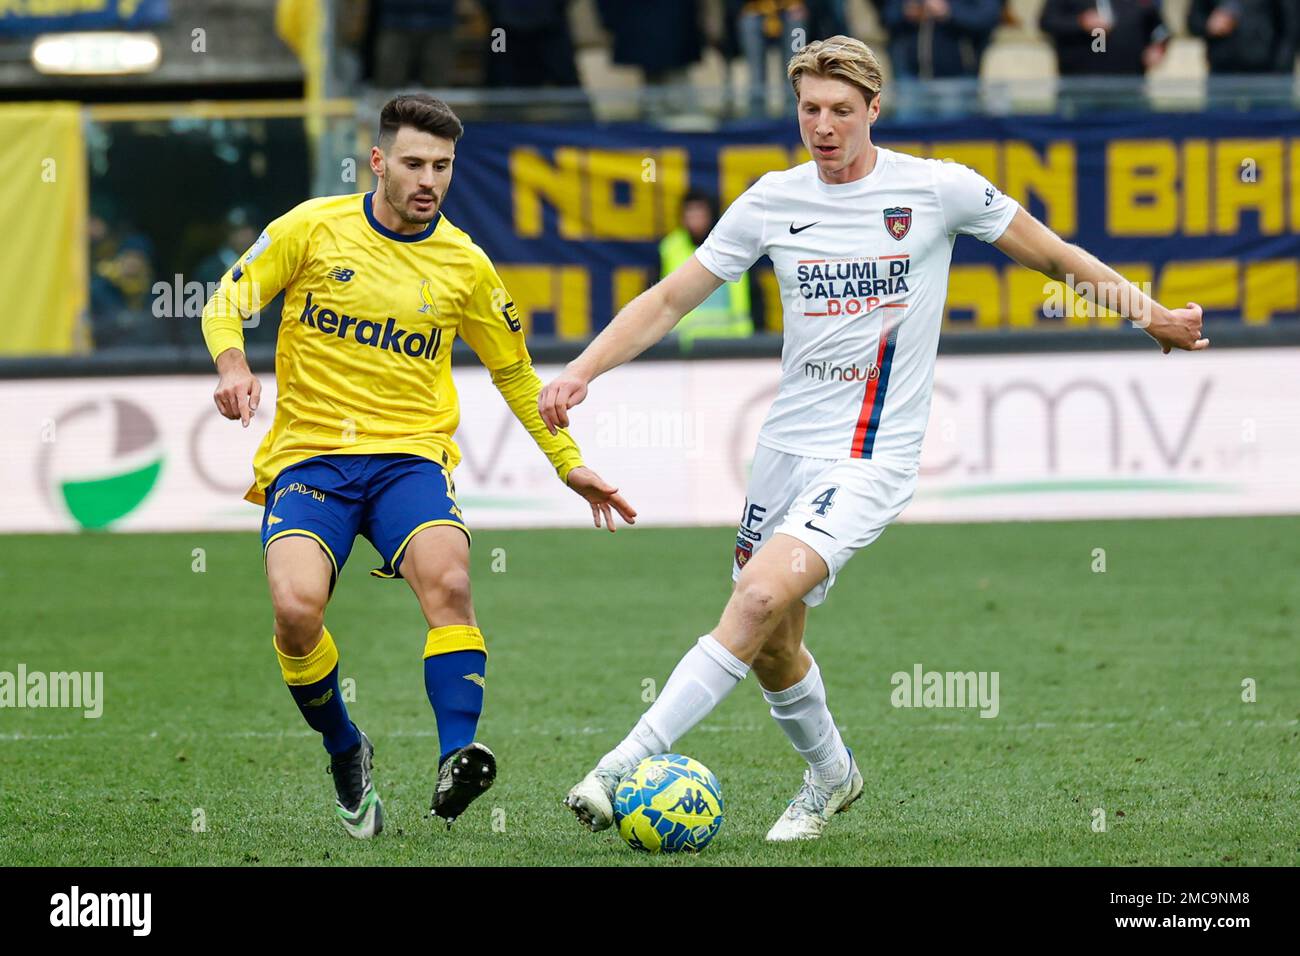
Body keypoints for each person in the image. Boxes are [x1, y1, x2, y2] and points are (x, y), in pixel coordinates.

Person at [540, 36, 1206, 842]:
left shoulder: (937, 190)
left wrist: (1153, 316)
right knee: (772, 647)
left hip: (871, 457)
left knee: (751, 600)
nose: (823, 126)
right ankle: (831, 775)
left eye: (841, 111)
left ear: (874, 110)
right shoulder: (770, 201)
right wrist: (583, 370)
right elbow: (670, 300)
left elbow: (1054, 257)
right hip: (783, 453)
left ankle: (618, 765)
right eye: (810, 109)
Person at [200, 94, 636, 840]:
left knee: (452, 580)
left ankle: (455, 758)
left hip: (410, 461)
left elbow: (517, 375)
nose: (428, 178)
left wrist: (570, 463)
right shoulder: (311, 228)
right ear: (377, 162)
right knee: (297, 611)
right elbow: (227, 299)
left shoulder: (465, 263)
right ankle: (346, 746)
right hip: (311, 460)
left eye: (442, 165)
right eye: (412, 163)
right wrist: (234, 363)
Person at [659, 189, 754, 348]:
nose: (695, 220)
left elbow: (753, 297)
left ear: (710, 214)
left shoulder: (732, 246)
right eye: (690, 213)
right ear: (682, 218)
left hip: (732, 345)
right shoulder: (670, 249)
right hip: (683, 347)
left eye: (699, 213)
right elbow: (658, 298)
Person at [1039, 0, 1170, 76]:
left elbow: (1160, 30)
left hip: (1130, 83)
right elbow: (1047, 22)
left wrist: (1158, 47)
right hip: (1080, 83)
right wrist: (1081, 23)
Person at [1186, 0, 1299, 75]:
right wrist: (1209, 24)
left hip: (1266, 74)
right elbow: (1193, 20)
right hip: (1222, 73)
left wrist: (1281, 70)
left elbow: (1291, 27)